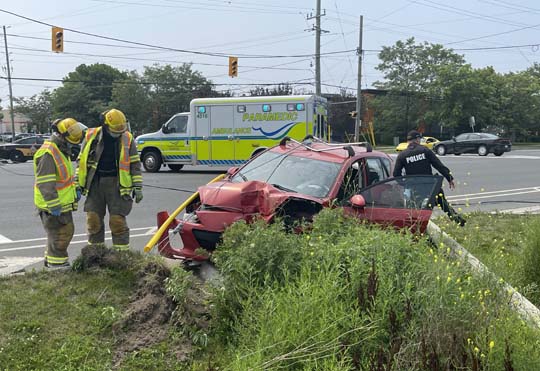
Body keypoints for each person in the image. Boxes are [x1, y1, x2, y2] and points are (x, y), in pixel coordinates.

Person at [76, 109, 143, 251]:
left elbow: (135, 164)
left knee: (117, 222)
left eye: (121, 130)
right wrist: (77, 183)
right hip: (95, 183)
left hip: (117, 185)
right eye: (115, 131)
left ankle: (121, 256)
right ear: (105, 125)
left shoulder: (127, 138)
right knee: (93, 220)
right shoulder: (91, 136)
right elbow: (81, 162)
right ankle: (95, 255)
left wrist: (138, 186)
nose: (118, 134)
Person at [34, 118, 86, 269]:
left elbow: (64, 178)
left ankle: (51, 261)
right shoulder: (49, 153)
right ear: (62, 135)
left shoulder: (60, 150)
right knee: (61, 235)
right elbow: (46, 183)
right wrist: (54, 205)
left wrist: (75, 188)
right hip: (53, 206)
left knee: (57, 235)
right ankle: (58, 267)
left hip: (60, 203)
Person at [393, 130, 466, 226]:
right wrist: (449, 178)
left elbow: (396, 174)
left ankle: (417, 228)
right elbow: (438, 165)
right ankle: (457, 220)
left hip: (414, 188)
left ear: (408, 141)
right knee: (443, 203)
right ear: (417, 139)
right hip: (430, 185)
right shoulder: (425, 150)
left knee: (415, 212)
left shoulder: (402, 155)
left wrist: (405, 184)